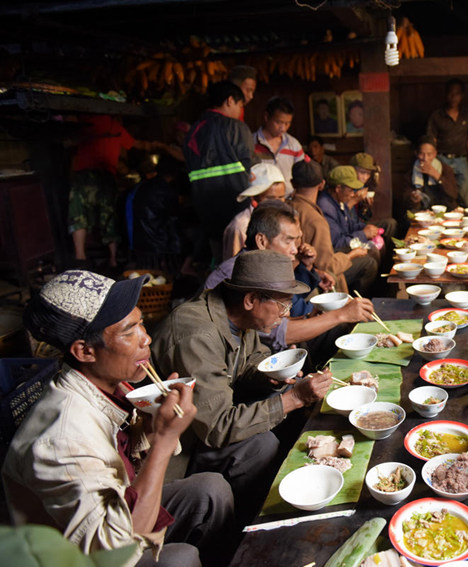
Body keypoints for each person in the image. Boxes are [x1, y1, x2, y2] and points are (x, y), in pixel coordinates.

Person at [3, 270, 234, 567]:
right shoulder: (61, 440)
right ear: (85, 351)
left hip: (117, 508)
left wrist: (149, 430)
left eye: (141, 325)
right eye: (129, 332)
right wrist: (164, 441)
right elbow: (113, 550)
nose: (146, 338)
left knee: (210, 491)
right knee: (182, 559)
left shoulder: (106, 383)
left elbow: (123, 466)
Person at [150, 250, 333, 524]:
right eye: (282, 307)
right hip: (180, 447)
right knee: (261, 444)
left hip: (203, 423)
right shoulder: (197, 334)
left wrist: (269, 374)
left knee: (278, 409)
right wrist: (294, 398)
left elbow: (248, 359)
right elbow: (216, 426)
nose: (284, 316)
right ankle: (243, 525)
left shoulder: (237, 316)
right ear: (250, 300)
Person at [206, 202, 374, 359]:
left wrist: (309, 314)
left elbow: (285, 316)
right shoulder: (242, 274)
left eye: (296, 240)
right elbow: (279, 333)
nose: (295, 249)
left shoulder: (263, 265)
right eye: (288, 241)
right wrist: (341, 315)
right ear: (261, 241)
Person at [68, 114, 166, 269]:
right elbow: (138, 144)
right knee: (109, 215)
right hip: (105, 175)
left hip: (82, 176)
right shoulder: (114, 126)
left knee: (78, 214)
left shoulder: (84, 120)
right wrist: (158, 145)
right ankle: (113, 260)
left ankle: (80, 257)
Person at [183, 81, 256, 264]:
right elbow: (251, 165)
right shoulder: (236, 127)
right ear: (230, 101)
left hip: (204, 205)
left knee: (218, 258)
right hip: (235, 203)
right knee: (239, 261)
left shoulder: (194, 130)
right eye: (240, 105)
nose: (240, 110)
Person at [290, 160, 375, 293]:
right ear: (321, 184)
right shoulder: (316, 219)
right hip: (308, 278)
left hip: (295, 273)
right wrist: (351, 255)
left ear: (292, 183)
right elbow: (327, 266)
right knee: (368, 263)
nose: (353, 193)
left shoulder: (287, 208)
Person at [426, 78, 468, 206]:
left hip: (461, 160)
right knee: (442, 196)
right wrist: (430, 163)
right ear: (446, 95)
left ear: (462, 96)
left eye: (457, 94)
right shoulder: (437, 115)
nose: (453, 97)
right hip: (442, 159)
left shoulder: (467, 115)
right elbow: (431, 142)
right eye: (451, 93)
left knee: (466, 198)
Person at [221, 162, 287, 261]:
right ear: (254, 198)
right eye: (270, 198)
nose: (277, 203)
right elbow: (234, 267)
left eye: (281, 197)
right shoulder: (241, 226)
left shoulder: (285, 220)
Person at [254, 97, 309, 197]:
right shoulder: (251, 143)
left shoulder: (294, 145)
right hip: (261, 201)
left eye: (287, 123)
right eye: (278, 122)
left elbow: (302, 174)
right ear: (266, 117)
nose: (283, 128)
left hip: (288, 199)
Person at [404, 135, 461, 213]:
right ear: (416, 154)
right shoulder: (411, 172)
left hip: (445, 210)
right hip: (423, 212)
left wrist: (436, 175)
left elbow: (453, 195)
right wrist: (414, 198)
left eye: (429, 154)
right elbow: (406, 197)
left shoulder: (445, 169)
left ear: (435, 154)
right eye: (421, 154)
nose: (425, 158)